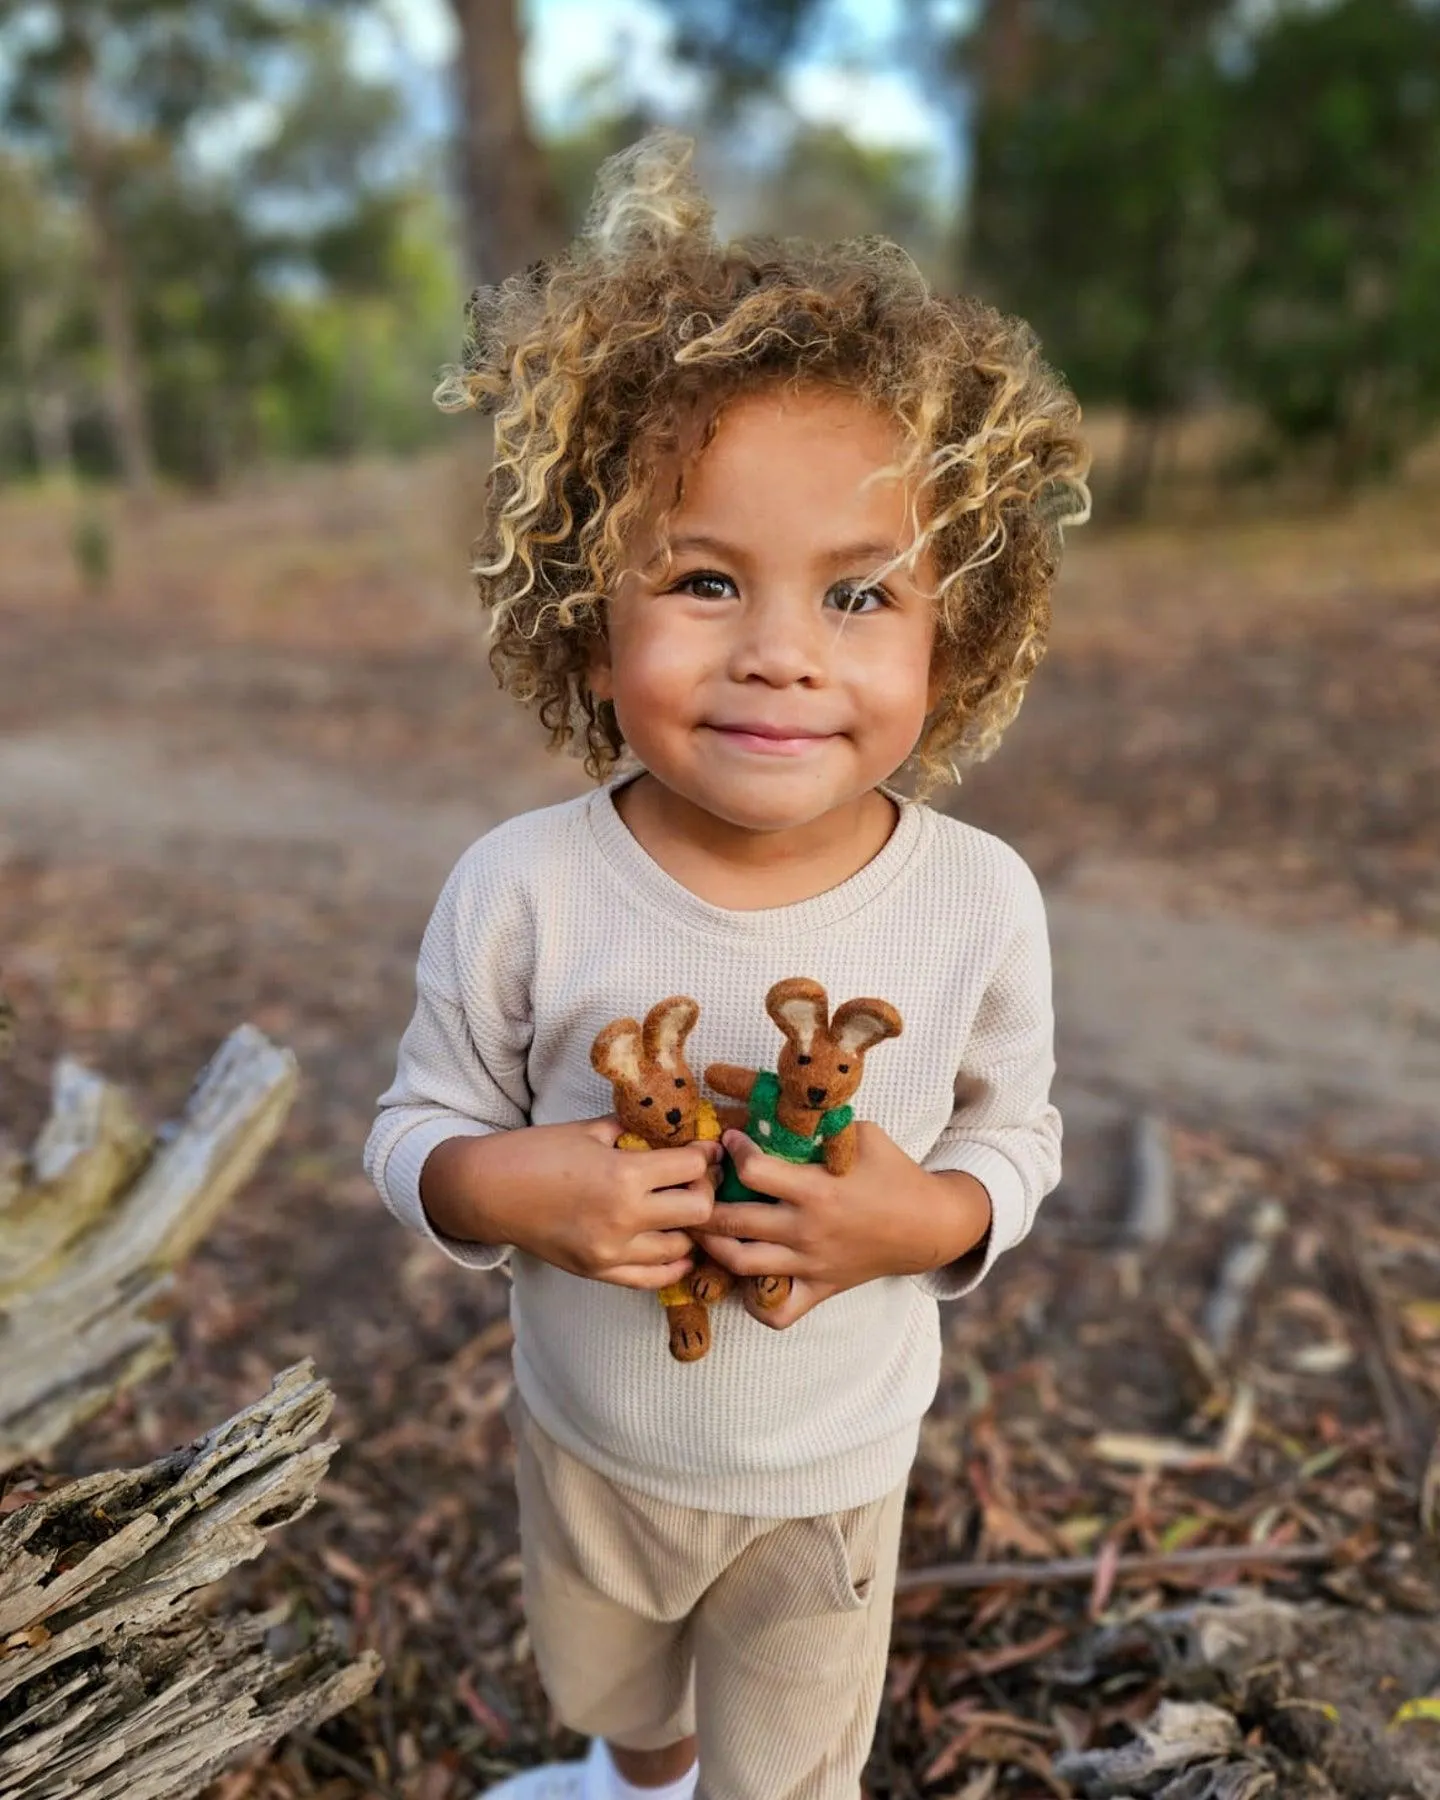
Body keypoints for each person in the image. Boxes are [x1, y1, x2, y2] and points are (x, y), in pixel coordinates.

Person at [364, 131, 1089, 1800]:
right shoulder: (524, 887)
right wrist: (505, 1187)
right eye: (703, 580)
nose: (777, 649)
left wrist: (938, 1219)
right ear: (580, 610)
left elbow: (1019, 1131)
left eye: (857, 594)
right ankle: (640, 1776)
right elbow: (412, 1130)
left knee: (788, 1769)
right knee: (617, 1696)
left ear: (952, 638)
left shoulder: (976, 901)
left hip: (830, 1470)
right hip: (591, 1440)